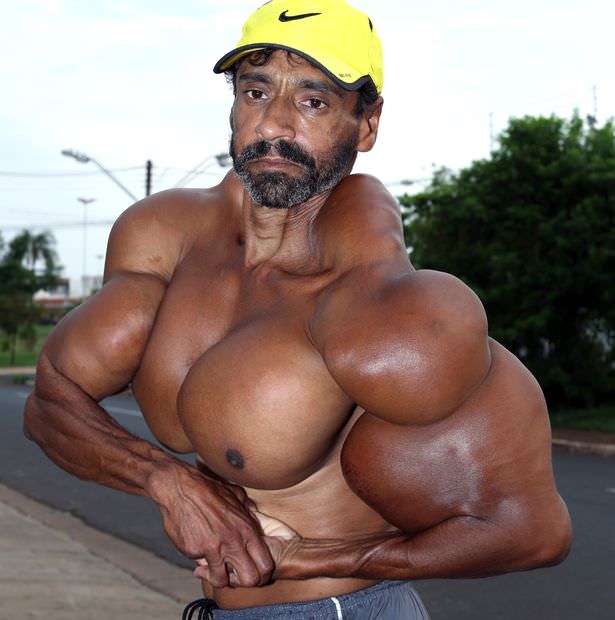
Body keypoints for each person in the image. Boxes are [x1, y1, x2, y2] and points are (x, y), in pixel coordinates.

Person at [24, 1, 572, 618]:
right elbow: (49, 405)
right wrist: (168, 480)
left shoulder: (382, 308)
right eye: (256, 92)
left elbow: (534, 533)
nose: (273, 124)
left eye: (313, 102)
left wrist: (320, 559)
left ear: (366, 125)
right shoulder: (161, 240)